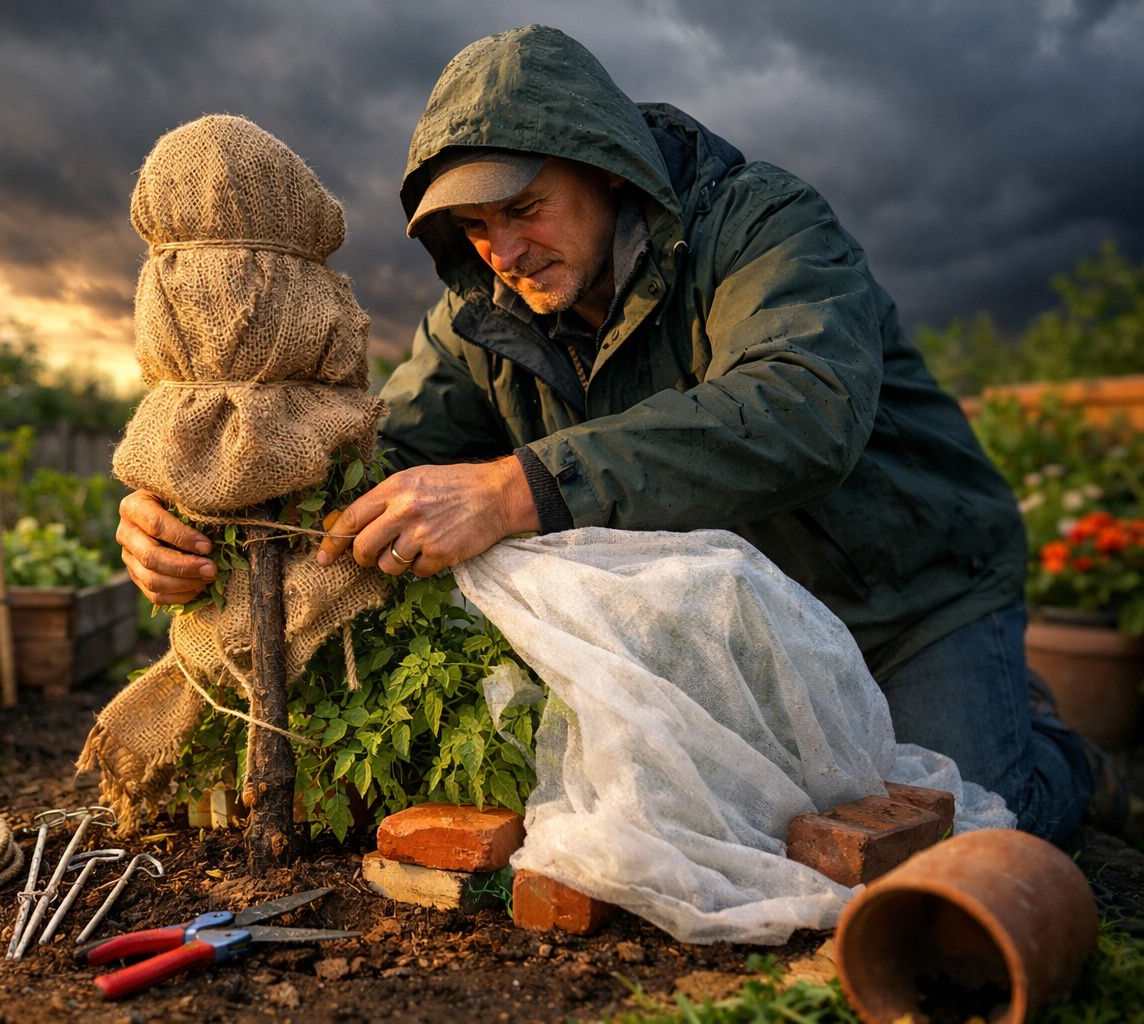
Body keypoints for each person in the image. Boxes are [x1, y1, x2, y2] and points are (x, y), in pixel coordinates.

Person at [119, 24, 1112, 841]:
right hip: (735, 642)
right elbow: (378, 465)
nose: (502, 251)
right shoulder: (481, 320)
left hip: (901, 599)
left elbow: (800, 408)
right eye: (473, 231)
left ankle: (1066, 759)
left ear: (607, 169)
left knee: (969, 825)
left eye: (525, 207)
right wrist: (192, 515)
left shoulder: (760, 228)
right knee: (775, 834)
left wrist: (514, 489)